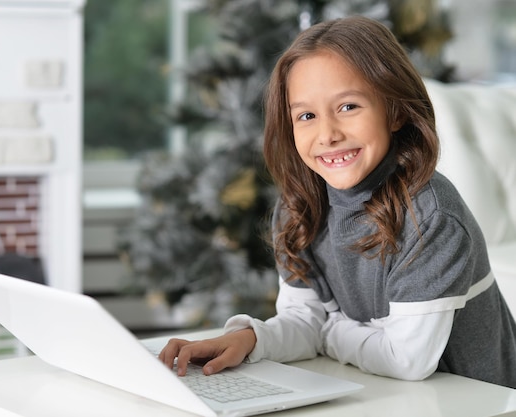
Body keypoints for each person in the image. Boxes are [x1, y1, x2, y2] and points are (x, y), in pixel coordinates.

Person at [159, 15, 516, 389]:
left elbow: (406, 360)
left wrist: (326, 332)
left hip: (473, 401)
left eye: (348, 107)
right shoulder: (300, 207)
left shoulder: (432, 217)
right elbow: (303, 321)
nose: (327, 134)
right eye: (307, 115)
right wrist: (250, 340)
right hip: (384, 394)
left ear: (394, 111)